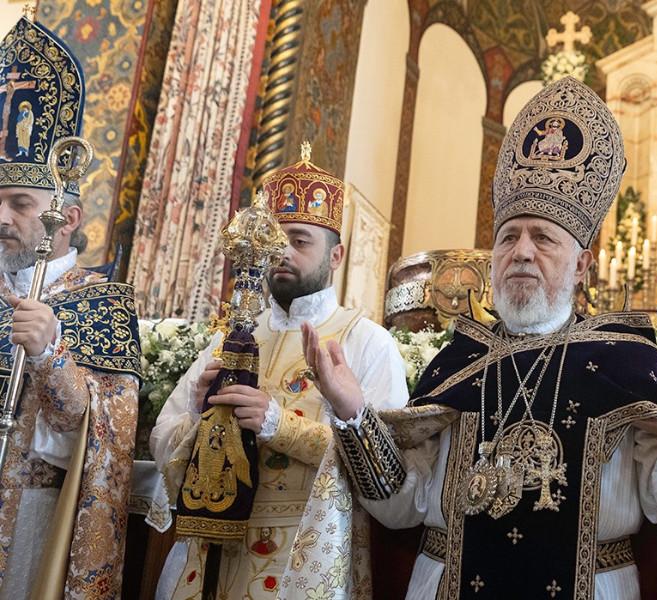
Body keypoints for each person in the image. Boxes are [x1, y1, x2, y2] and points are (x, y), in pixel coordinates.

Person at [311, 77, 657, 599]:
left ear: (582, 266)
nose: (522, 252)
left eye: (544, 238)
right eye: (508, 237)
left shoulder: (624, 361)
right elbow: (399, 508)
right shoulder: (457, 361)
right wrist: (353, 413)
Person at [150, 143, 408, 599]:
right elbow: (163, 437)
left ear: (336, 256)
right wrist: (197, 413)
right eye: (275, 239)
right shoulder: (229, 336)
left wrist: (279, 425)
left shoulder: (367, 342)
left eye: (300, 241)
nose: (283, 251)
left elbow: (388, 470)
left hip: (306, 556)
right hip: (212, 557)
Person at [0, 15, 143, 600]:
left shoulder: (102, 302)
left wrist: (50, 354)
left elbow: (97, 438)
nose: (2, 217)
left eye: (19, 203)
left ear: (68, 218)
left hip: (31, 513)